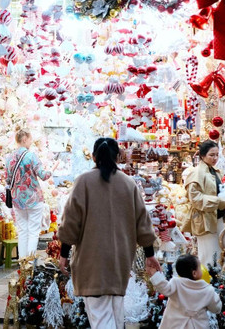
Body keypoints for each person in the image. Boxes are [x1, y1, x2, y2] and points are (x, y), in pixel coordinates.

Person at [57, 137, 159, 329]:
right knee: (115, 314)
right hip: (120, 261)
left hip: (91, 261)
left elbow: (70, 223)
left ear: (94, 157)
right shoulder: (128, 184)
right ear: (118, 157)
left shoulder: (83, 181)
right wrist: (150, 254)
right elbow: (143, 225)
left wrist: (64, 254)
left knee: (101, 318)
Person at [182, 140, 225, 268]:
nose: (215, 158)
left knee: (220, 254)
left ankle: (219, 279)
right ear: (202, 156)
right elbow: (195, 198)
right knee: (209, 257)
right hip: (205, 221)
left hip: (218, 218)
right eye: (211, 155)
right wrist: (220, 203)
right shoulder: (196, 173)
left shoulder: (216, 171)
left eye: (217, 155)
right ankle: (208, 279)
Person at [5, 129, 52, 259]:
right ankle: (29, 264)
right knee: (33, 232)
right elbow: (43, 175)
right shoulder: (31, 156)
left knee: (22, 232)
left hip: (17, 199)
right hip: (33, 199)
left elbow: (8, 180)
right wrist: (51, 170)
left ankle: (22, 262)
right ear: (24, 139)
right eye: (30, 139)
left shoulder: (9, 158)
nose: (31, 142)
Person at [147, 254, 222, 329]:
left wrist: (155, 275)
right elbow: (216, 308)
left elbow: (163, 287)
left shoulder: (176, 284)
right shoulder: (207, 290)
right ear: (194, 273)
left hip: (175, 325)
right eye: (199, 266)